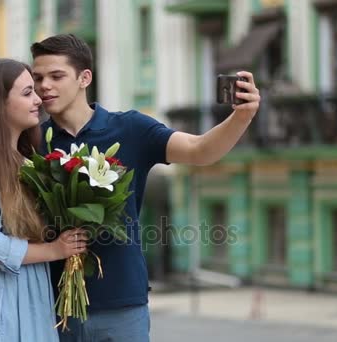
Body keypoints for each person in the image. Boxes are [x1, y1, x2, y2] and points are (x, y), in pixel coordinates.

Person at [31, 34, 260, 341]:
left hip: (122, 303)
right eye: (38, 78)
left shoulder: (130, 129)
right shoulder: (32, 143)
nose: (45, 86)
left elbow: (199, 149)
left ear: (84, 77)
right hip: (54, 308)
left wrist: (242, 117)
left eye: (56, 76)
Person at [0, 58, 88, 341]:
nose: (38, 99)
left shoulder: (25, 162)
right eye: (27, 93)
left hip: (30, 295)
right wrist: (54, 250)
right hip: (4, 302)